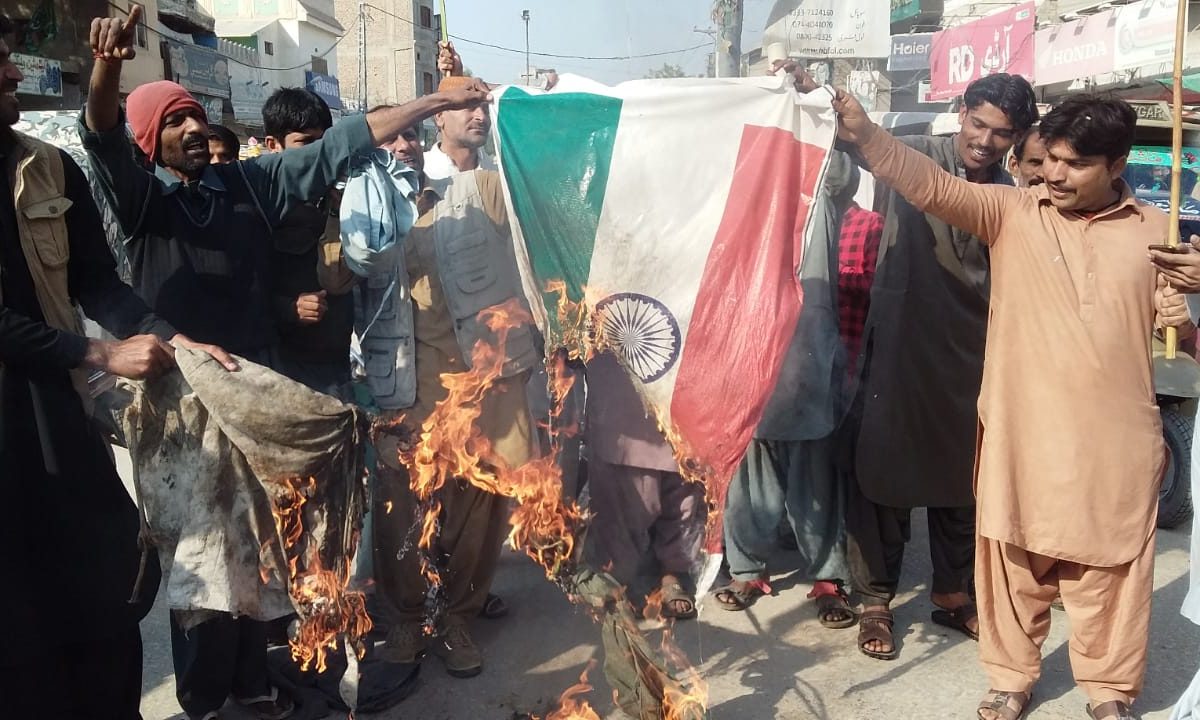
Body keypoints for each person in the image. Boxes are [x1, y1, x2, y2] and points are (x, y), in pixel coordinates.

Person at [81, 7, 490, 718]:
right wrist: (110, 67)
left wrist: (431, 101)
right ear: (152, 139)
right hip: (186, 409)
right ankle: (206, 701)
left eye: (195, 118)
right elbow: (104, 137)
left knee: (269, 562)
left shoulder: (246, 187)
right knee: (204, 574)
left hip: (262, 405)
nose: (192, 130)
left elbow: (337, 150)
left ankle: (259, 689)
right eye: (173, 122)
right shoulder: (142, 200)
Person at [835, 88, 1189, 720]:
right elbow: (930, 186)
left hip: (1114, 444)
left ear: (1117, 164)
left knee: (1108, 574)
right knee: (1011, 566)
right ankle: (1011, 678)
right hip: (1022, 437)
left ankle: (1108, 690)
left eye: (1074, 164)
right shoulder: (1012, 213)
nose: (1053, 174)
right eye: (1048, 158)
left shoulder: (1156, 236)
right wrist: (865, 134)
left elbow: (1186, 341)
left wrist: (1186, 307)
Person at [0, 16, 235, 718]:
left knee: (104, 602)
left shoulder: (45, 164)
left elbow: (98, 284)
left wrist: (176, 342)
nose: (14, 70)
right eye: (2, 57)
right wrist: (98, 351)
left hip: (55, 418)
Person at [843, 73, 1039, 661]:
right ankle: (875, 601)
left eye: (1001, 134)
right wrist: (808, 96)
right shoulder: (912, 155)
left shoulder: (1010, 195)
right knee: (883, 477)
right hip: (899, 345)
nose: (984, 141)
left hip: (972, 356)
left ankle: (954, 594)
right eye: (977, 124)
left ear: (1016, 137)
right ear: (959, 112)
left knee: (964, 482)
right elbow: (851, 143)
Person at [348, 111, 538, 679]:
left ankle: (458, 615)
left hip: (484, 383)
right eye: (392, 136)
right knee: (399, 506)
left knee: (479, 504)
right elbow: (336, 277)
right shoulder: (362, 203)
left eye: (411, 133)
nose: (403, 144)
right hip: (406, 384)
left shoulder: (478, 189)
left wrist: (512, 112)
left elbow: (531, 195)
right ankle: (405, 617)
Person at [714, 151, 857, 630]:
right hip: (746, 345)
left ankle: (827, 578)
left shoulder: (821, 183)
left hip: (810, 350)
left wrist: (808, 106)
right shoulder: (736, 186)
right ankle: (747, 570)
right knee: (750, 473)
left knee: (815, 475)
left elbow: (843, 174)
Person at [585, 350, 705, 619]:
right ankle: (620, 579)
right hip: (618, 358)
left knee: (683, 475)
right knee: (623, 490)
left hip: (680, 357)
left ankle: (673, 573)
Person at [260, 87, 357, 395]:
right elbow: (235, 294)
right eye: (305, 144)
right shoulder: (258, 206)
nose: (318, 156)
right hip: (285, 373)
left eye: (322, 144)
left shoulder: (343, 197)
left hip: (341, 365)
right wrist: (288, 310)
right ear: (273, 145)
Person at [423, 41, 498, 180]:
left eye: (486, 109)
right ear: (439, 117)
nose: (481, 117)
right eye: (470, 107)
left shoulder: (500, 176)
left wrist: (459, 78)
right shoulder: (421, 173)